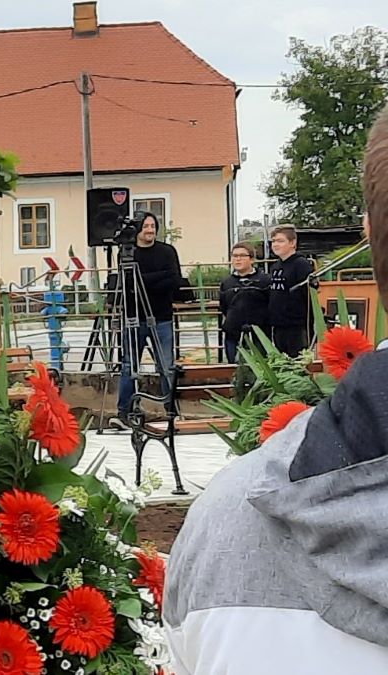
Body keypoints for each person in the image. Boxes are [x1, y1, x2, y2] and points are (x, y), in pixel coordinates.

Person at [163, 107, 388, 672]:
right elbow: (232, 305)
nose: (247, 260)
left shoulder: (223, 524)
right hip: (240, 334)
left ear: (370, 232)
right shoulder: (227, 516)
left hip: (286, 329)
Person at [111, 212, 183, 429]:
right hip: (133, 316)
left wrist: (144, 279)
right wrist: (156, 278)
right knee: (128, 366)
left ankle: (172, 411)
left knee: (166, 366)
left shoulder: (167, 251)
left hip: (161, 316)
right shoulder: (127, 252)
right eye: (146, 226)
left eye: (153, 225)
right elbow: (127, 281)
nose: (150, 230)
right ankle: (125, 411)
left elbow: (174, 279)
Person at [218, 241, 271, 363]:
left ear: (252, 259)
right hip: (233, 334)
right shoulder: (227, 283)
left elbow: (271, 305)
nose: (238, 259)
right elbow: (224, 307)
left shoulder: (265, 280)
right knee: (234, 368)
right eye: (235, 256)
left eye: (242, 255)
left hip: (259, 335)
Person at [266, 226, 315, 357]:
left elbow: (309, 294)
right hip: (278, 324)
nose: (275, 244)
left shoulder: (301, 265)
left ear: (292, 243)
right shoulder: (275, 267)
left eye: (280, 241)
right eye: (274, 241)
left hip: (296, 326)